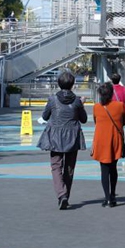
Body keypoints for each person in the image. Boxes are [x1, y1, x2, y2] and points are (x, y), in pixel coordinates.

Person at [37, 71, 87, 210]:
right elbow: (83, 119)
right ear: (72, 84)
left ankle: (61, 194)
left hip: (55, 137)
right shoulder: (77, 101)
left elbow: (45, 116)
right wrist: (81, 105)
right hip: (72, 136)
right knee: (69, 168)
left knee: (56, 166)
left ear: (59, 84)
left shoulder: (52, 100)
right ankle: (66, 196)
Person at [91, 82, 125, 207]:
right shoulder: (119, 105)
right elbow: (124, 121)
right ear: (112, 93)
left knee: (104, 170)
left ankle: (107, 198)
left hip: (101, 140)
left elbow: (96, 121)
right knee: (113, 168)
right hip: (115, 139)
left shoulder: (96, 107)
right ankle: (113, 195)